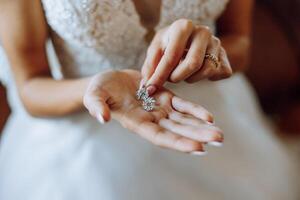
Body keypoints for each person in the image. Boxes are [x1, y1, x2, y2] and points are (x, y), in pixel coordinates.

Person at [0, 0, 298, 199]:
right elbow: (30, 85)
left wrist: (210, 53)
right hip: (84, 144)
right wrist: (94, 89)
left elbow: (240, 44)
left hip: (208, 114)